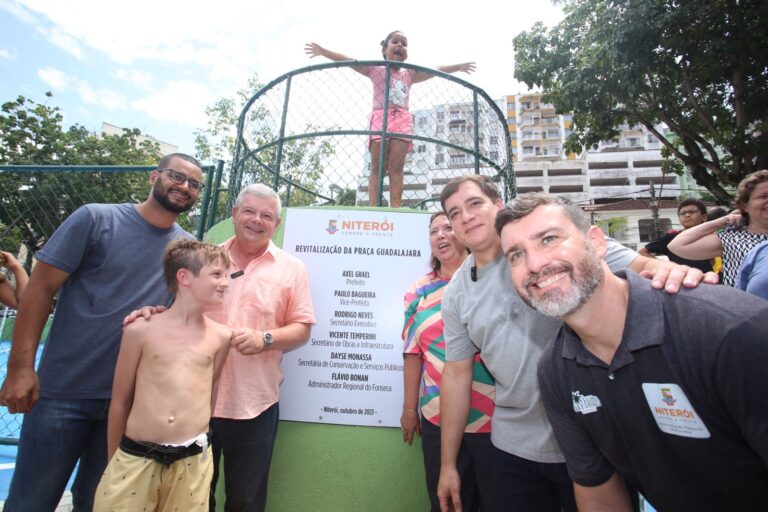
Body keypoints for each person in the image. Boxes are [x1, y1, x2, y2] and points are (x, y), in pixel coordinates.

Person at [436, 175, 716, 512]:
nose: (465, 216)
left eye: (474, 203)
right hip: (513, 447)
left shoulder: (553, 249)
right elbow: (455, 376)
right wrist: (448, 464)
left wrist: (678, 276)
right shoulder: (455, 294)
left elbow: (644, 268)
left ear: (498, 205)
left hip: (597, 433)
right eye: (454, 214)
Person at [496, 192, 768, 511]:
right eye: (515, 255)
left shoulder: (729, 331)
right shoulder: (555, 370)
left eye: (549, 239)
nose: (534, 264)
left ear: (597, 243)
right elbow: (600, 498)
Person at [0, 153, 204, 511]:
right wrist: (20, 368)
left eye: (194, 184)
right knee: (30, 501)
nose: (184, 186)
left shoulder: (185, 250)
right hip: (63, 390)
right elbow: (39, 290)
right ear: (154, 176)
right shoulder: (96, 218)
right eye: (176, 176)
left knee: (100, 504)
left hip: (128, 403)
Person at [126, 183, 316, 511]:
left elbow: (302, 329)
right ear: (234, 214)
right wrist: (153, 313)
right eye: (249, 211)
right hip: (193, 400)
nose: (257, 220)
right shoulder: (203, 260)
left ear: (277, 223)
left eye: (266, 215)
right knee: (191, 497)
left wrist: (265, 339)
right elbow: (177, 312)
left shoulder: (292, 269)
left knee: (247, 499)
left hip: (255, 403)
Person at [94, 240, 231, 511]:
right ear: (184, 277)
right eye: (216, 274)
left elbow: (206, 391)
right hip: (136, 456)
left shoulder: (222, 336)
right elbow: (120, 401)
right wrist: (115, 461)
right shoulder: (140, 330)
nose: (225, 282)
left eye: (227, 275)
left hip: (192, 462)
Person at [305, 32, 475, 208]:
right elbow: (349, 60)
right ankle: (373, 206)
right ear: (384, 50)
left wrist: (458, 67)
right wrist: (323, 51)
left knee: (396, 168)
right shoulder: (375, 69)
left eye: (404, 43)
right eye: (395, 42)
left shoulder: (409, 73)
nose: (400, 45)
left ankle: (395, 208)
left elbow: (437, 70)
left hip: (401, 118)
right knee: (377, 168)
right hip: (380, 117)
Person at [401, 212, 495, 512]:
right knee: (447, 504)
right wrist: (409, 410)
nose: (441, 235)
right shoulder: (419, 290)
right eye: (433, 231)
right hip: (436, 418)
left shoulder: (491, 279)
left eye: (448, 228)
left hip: (494, 420)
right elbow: (412, 353)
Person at [669, 169, 768, 286]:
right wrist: (721, 221)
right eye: (763, 196)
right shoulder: (732, 238)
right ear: (744, 205)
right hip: (744, 302)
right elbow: (677, 246)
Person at [638, 198, 713, 272]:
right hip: (682, 281)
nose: (687, 215)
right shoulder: (672, 237)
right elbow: (642, 252)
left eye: (692, 212)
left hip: (712, 281)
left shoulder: (714, 237)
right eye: (683, 213)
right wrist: (667, 267)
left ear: (704, 217)